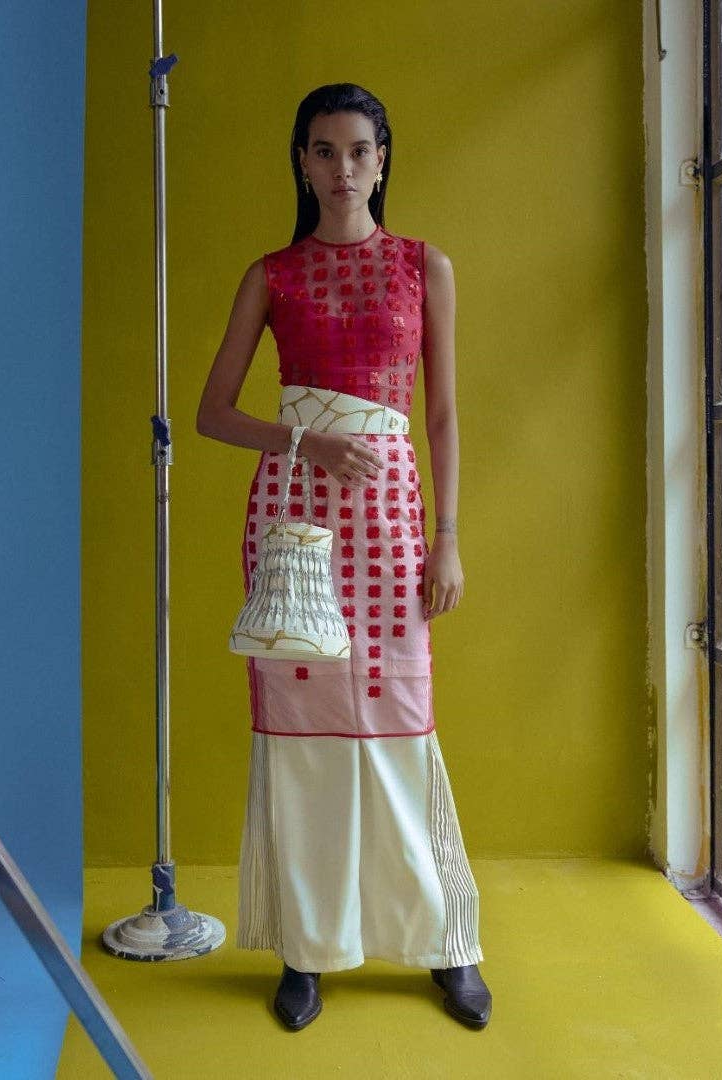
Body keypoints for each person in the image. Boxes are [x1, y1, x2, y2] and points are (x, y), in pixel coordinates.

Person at [196, 82, 491, 1032]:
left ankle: (445, 938)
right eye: (323, 150)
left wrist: (448, 538)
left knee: (401, 717)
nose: (342, 169)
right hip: (294, 520)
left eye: (358, 150)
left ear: (382, 158)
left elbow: (440, 414)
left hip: (393, 520)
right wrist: (304, 442)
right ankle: (307, 948)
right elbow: (212, 413)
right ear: (301, 161)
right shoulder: (272, 275)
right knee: (302, 730)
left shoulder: (423, 265)